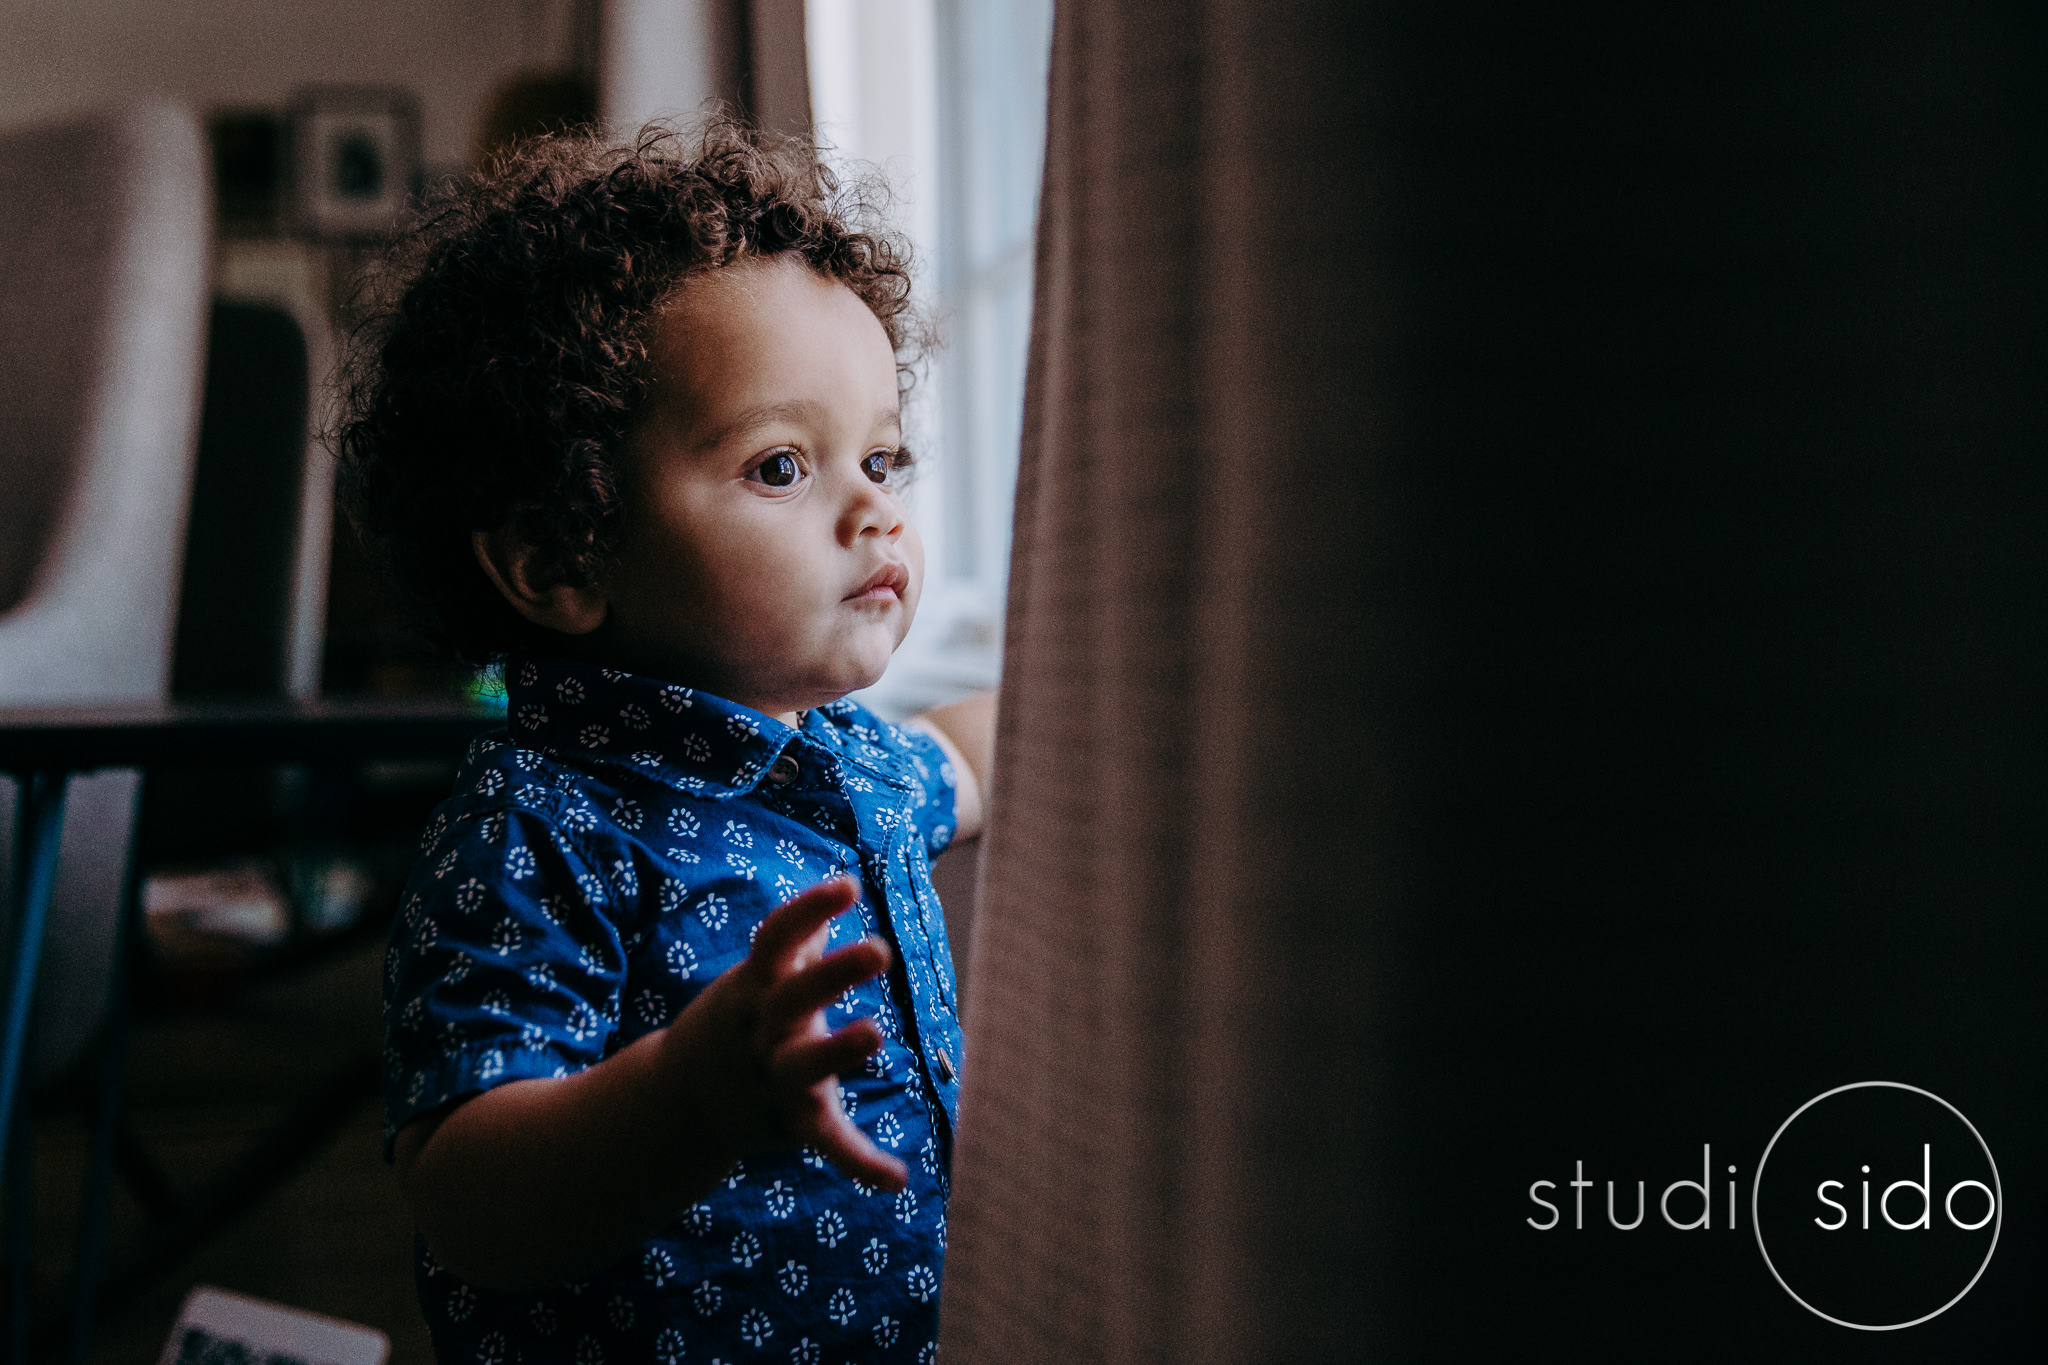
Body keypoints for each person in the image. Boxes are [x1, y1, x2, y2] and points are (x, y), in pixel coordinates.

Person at [337, 115, 996, 1363]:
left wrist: (1137, 710)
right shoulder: (536, 827)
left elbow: (969, 750)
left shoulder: (852, 762)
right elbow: (465, 1194)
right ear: (557, 558)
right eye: (782, 467)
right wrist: (686, 1099)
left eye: (883, 456)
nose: (875, 511)